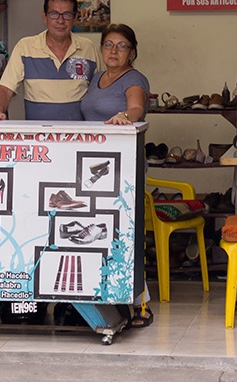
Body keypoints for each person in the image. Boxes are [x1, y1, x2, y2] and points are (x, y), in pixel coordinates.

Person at [80, 23, 154, 329]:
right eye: (109, 45)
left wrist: (126, 116)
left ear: (132, 51)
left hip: (123, 168)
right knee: (97, 233)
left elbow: (136, 107)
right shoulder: (96, 78)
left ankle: (142, 304)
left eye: (121, 46)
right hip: (94, 169)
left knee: (126, 234)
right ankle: (102, 296)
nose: (114, 51)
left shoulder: (135, 79)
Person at [0, 0, 100, 121]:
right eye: (54, 14)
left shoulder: (89, 48)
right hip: (38, 137)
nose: (60, 20)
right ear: (44, 16)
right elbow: (6, 88)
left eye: (67, 15)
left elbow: (104, 88)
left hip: (80, 137)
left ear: (75, 18)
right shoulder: (25, 47)